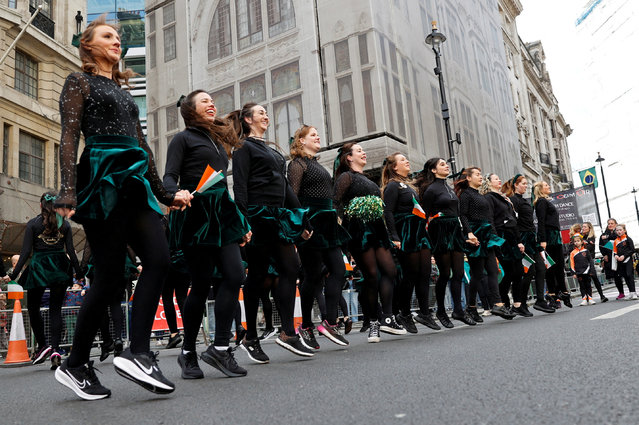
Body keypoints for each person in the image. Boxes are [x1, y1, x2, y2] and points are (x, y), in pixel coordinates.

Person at [53, 17, 191, 400]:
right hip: (102, 176)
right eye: (108, 36)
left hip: (135, 178)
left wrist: (165, 194)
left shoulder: (123, 89)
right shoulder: (78, 81)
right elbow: (68, 135)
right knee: (110, 278)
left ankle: (138, 351)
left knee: (159, 259)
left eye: (118, 37)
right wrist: (68, 191)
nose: (117, 41)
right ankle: (76, 363)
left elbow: (143, 145)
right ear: (88, 45)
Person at [164, 90, 252, 379]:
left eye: (213, 100)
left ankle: (220, 347)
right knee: (201, 285)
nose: (212, 103)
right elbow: (169, 175)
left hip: (222, 213)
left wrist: (240, 222)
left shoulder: (216, 139)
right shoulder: (182, 139)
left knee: (235, 275)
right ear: (190, 110)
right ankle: (188, 352)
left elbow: (223, 184)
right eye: (204, 101)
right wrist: (173, 193)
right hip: (196, 214)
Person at [231, 103, 314, 361]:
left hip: (277, 217)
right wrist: (242, 221)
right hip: (257, 215)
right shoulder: (243, 147)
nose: (266, 115)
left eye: (267, 112)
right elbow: (240, 186)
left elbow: (286, 186)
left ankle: (287, 332)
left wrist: (303, 219)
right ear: (247, 119)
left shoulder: (269, 148)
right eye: (261, 112)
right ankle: (251, 336)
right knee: (257, 277)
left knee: (290, 269)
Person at [3, 192, 82, 370]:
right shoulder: (65, 225)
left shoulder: (33, 224)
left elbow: (24, 253)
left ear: (40, 206)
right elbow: (71, 250)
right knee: (56, 309)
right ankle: (55, 349)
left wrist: (13, 275)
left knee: (33, 307)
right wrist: (78, 272)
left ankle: (43, 345)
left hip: (39, 267)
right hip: (60, 267)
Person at [335, 143, 405, 342]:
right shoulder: (346, 177)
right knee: (371, 275)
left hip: (377, 228)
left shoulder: (368, 179)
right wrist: (341, 229)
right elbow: (335, 202)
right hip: (359, 230)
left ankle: (388, 317)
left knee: (390, 270)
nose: (363, 153)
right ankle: (373, 321)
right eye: (359, 151)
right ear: (349, 157)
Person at [288, 125, 350, 349]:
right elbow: (292, 196)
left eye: (317, 134)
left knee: (339, 270)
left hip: (327, 222)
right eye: (313, 135)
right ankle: (305, 326)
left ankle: (329, 322)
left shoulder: (316, 164)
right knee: (313, 276)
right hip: (311, 222)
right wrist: (302, 224)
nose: (318, 137)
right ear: (301, 141)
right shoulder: (297, 164)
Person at [381, 153, 440, 332]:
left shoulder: (409, 186)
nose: (407, 161)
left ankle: (424, 313)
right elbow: (388, 212)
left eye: (407, 159)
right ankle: (404, 313)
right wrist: (394, 236)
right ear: (394, 167)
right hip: (406, 232)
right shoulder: (392, 186)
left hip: (419, 231)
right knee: (411, 274)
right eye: (402, 160)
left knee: (425, 273)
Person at [415, 158, 476, 328]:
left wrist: (466, 233)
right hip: (440, 230)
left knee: (458, 272)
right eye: (442, 164)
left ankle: (458, 310)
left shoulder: (448, 187)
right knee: (445, 273)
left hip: (454, 230)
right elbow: (424, 215)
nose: (446, 166)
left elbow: (456, 212)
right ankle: (441, 310)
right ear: (433, 170)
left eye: (445, 164)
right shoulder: (430, 190)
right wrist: (424, 237)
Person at [456, 169, 514, 321]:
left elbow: (488, 217)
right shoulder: (466, 195)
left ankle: (497, 304)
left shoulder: (480, 195)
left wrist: (493, 236)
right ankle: (471, 307)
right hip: (475, 235)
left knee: (493, 270)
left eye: (481, 175)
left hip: (487, 235)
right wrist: (469, 233)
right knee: (477, 274)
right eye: (477, 175)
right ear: (468, 178)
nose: (480, 177)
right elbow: (462, 215)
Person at [503, 175, 555, 313]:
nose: (526, 186)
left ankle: (540, 300)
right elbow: (513, 221)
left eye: (527, 184)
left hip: (531, 238)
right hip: (523, 238)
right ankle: (521, 303)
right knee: (528, 271)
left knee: (541, 268)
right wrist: (518, 240)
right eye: (523, 184)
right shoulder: (513, 200)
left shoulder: (524, 200)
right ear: (516, 185)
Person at [483, 173, 531, 317]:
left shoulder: (504, 198)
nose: (499, 180)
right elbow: (490, 219)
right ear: (489, 182)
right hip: (501, 236)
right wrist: (495, 238)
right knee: (510, 271)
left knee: (519, 272)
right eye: (496, 178)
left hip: (512, 236)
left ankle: (518, 304)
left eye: (499, 177)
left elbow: (513, 220)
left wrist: (519, 241)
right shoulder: (489, 198)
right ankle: (501, 300)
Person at [533, 181, 572, 308]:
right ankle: (555, 295)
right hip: (549, 237)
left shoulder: (546, 201)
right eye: (546, 186)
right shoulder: (541, 202)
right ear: (540, 189)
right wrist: (543, 240)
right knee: (551, 267)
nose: (549, 186)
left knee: (559, 265)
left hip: (555, 236)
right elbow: (541, 222)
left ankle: (562, 292)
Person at [581, 222, 607, 302]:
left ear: (589, 228)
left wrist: (584, 243)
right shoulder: (581, 236)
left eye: (585, 227)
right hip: (582, 261)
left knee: (594, 278)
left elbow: (589, 248)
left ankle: (602, 295)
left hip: (590, 260)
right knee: (586, 280)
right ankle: (588, 297)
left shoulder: (591, 237)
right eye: (583, 227)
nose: (583, 228)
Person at [569, 233, 596, 306]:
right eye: (575, 241)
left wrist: (591, 270)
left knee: (588, 285)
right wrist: (573, 273)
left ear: (581, 242)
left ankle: (590, 298)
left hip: (587, 271)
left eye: (578, 241)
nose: (576, 242)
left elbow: (590, 261)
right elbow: (571, 263)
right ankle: (584, 299)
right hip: (578, 272)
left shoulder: (586, 251)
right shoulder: (572, 253)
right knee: (582, 285)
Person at [612, 224, 636, 299]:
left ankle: (634, 292)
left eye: (620, 230)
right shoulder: (616, 241)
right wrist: (616, 255)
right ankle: (630, 293)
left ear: (624, 230)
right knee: (625, 276)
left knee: (629, 275)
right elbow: (615, 251)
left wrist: (624, 256)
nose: (619, 231)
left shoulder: (628, 239)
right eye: (617, 230)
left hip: (628, 259)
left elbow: (632, 250)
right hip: (620, 261)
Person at [599, 218, 621, 298]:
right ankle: (621, 292)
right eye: (609, 224)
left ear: (616, 224)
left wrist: (608, 237)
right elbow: (601, 245)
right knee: (616, 276)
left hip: (619, 256)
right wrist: (604, 254)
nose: (610, 225)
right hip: (610, 257)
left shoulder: (619, 232)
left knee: (625, 274)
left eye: (612, 223)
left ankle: (632, 291)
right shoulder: (603, 235)